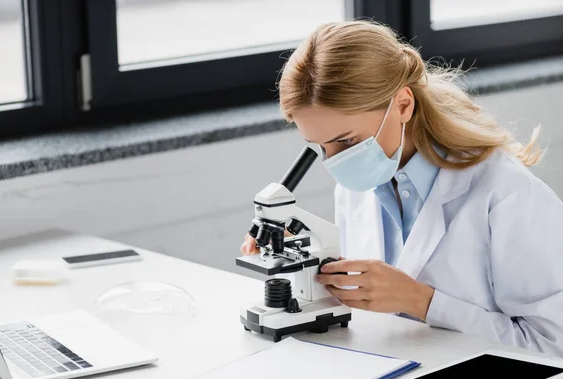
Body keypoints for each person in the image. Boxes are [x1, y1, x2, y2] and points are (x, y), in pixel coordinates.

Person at [240, 20, 563, 356]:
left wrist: (421, 301)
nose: (336, 162)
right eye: (321, 146)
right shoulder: (357, 186)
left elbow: (553, 344)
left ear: (403, 105)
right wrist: (306, 254)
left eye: (346, 140)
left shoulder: (506, 193)